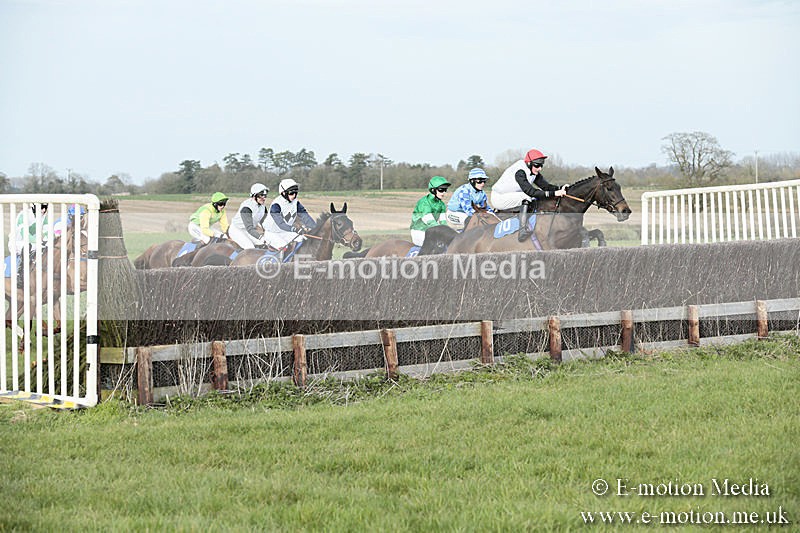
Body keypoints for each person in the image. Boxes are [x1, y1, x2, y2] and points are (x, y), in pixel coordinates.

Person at [491, 148, 567, 241]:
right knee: (527, 197)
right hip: (499, 198)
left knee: (536, 198)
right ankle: (522, 230)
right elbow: (530, 192)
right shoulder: (520, 172)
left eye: (541, 165)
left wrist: (561, 188)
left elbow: (546, 187)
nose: (539, 168)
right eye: (537, 165)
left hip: (512, 195)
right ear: (529, 163)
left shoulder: (533, 171)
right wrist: (554, 193)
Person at [261, 178, 316, 251]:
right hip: (271, 233)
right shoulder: (276, 205)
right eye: (291, 193)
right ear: (284, 193)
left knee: (302, 240)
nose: (294, 195)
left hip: (285, 232)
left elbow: (304, 216)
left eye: (296, 193)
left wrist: (315, 228)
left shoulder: (295, 203)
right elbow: (280, 224)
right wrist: (294, 229)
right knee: (284, 247)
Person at [410, 176, 451, 246]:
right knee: (437, 244)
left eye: (445, 190)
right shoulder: (424, 203)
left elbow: (443, 221)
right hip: (418, 231)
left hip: (431, 231)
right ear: (433, 190)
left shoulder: (442, 204)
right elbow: (429, 221)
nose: (444, 193)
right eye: (441, 190)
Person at [229, 183, 270, 249]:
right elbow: (250, 229)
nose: (263, 198)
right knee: (250, 247)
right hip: (237, 230)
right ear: (254, 196)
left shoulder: (263, 207)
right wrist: (261, 237)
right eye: (261, 195)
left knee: (263, 244)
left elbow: (264, 223)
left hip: (248, 230)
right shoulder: (246, 208)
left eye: (265, 196)